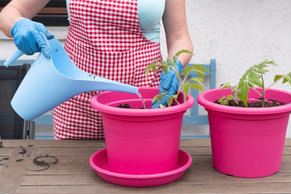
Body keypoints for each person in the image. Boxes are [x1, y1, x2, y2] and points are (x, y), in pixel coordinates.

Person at [0, 0, 193, 140]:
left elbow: (179, 38)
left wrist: (174, 65)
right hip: (76, 102)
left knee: (141, 178)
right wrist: (18, 25)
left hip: (139, 100)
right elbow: (10, 12)